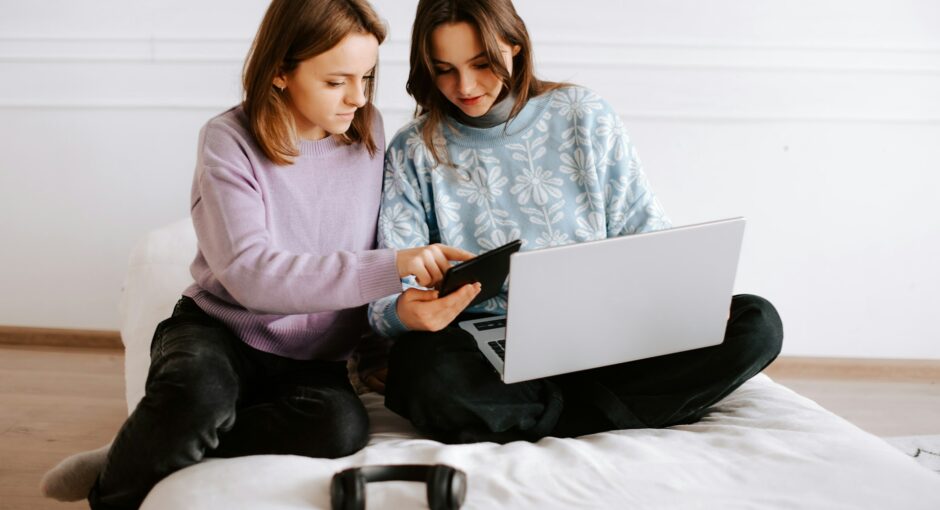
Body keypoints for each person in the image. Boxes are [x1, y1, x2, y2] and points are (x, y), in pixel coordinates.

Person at [40, 1, 474, 508]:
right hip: (220, 331)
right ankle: (123, 479)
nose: (357, 97)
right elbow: (252, 276)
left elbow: (370, 237)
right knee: (198, 394)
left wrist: (379, 341)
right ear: (280, 72)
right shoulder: (228, 140)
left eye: (367, 77)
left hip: (315, 359)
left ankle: (150, 441)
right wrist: (395, 267)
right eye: (336, 81)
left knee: (339, 428)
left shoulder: (369, 130)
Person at [368, 0, 784, 444]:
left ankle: (538, 418)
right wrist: (403, 311)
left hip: (608, 338)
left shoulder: (584, 113)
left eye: (482, 63)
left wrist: (691, 294)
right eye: (444, 69)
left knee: (756, 321)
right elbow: (387, 295)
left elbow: (644, 229)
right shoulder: (413, 149)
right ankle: (611, 411)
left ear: (514, 46)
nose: (465, 86)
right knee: (420, 367)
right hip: (489, 353)